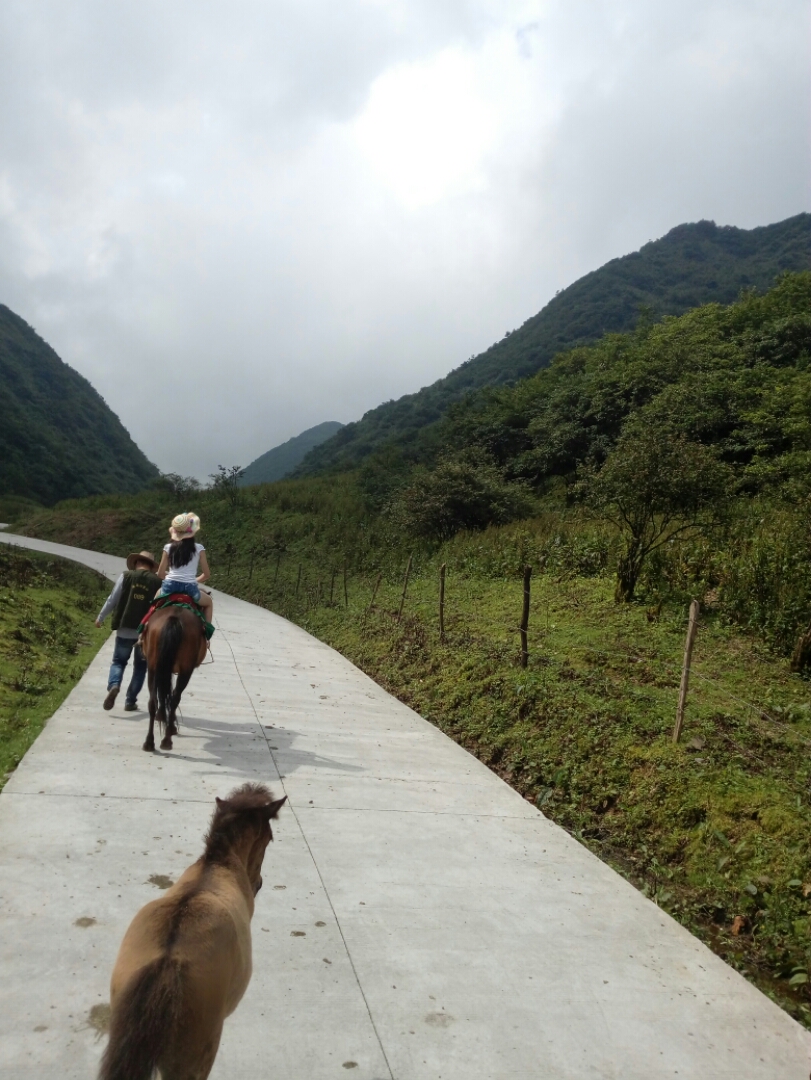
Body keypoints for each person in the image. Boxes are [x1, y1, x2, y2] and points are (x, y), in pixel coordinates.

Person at [96, 551, 161, 712]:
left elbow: (113, 598)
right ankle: (130, 701)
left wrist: (100, 617)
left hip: (125, 628)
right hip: (145, 634)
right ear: (151, 566)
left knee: (118, 661)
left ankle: (114, 685)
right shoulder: (157, 582)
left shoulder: (125, 576)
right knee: (140, 668)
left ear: (136, 562)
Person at [155, 512, 214, 625]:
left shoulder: (168, 547)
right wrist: (191, 580)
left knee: (154, 603)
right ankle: (206, 636)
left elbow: (160, 574)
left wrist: (169, 576)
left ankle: (144, 631)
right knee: (209, 603)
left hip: (169, 586)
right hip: (190, 588)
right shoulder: (199, 548)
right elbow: (206, 574)